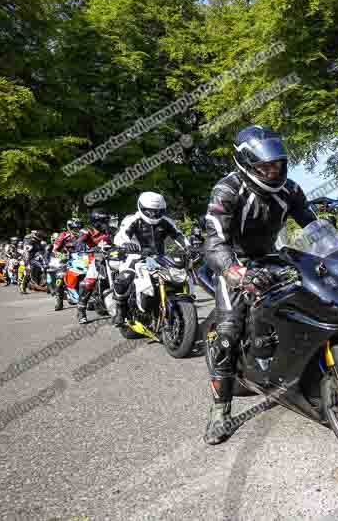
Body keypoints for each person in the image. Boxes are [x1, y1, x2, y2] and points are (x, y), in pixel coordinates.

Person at [203, 125, 317, 445]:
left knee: (313, 296)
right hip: (233, 263)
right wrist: (236, 273)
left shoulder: (290, 189)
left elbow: (314, 224)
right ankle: (219, 412)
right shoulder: (227, 190)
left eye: (277, 164)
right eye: (264, 166)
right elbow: (213, 243)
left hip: (271, 257)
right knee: (227, 334)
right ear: (245, 163)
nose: (272, 171)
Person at [111, 192, 188, 327]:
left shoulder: (166, 221)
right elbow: (120, 236)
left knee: (179, 276)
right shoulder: (132, 219)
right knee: (123, 279)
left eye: (158, 211)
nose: (154, 215)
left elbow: (179, 236)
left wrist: (189, 247)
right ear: (141, 207)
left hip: (160, 257)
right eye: (150, 211)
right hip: (135, 256)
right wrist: (126, 244)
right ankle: (120, 309)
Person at [73, 209, 113, 323]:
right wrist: (82, 247)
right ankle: (81, 310)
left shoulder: (112, 230)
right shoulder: (87, 231)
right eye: (103, 221)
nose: (106, 223)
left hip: (114, 257)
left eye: (107, 221)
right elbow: (79, 242)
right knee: (89, 281)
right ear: (95, 222)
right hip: (96, 258)